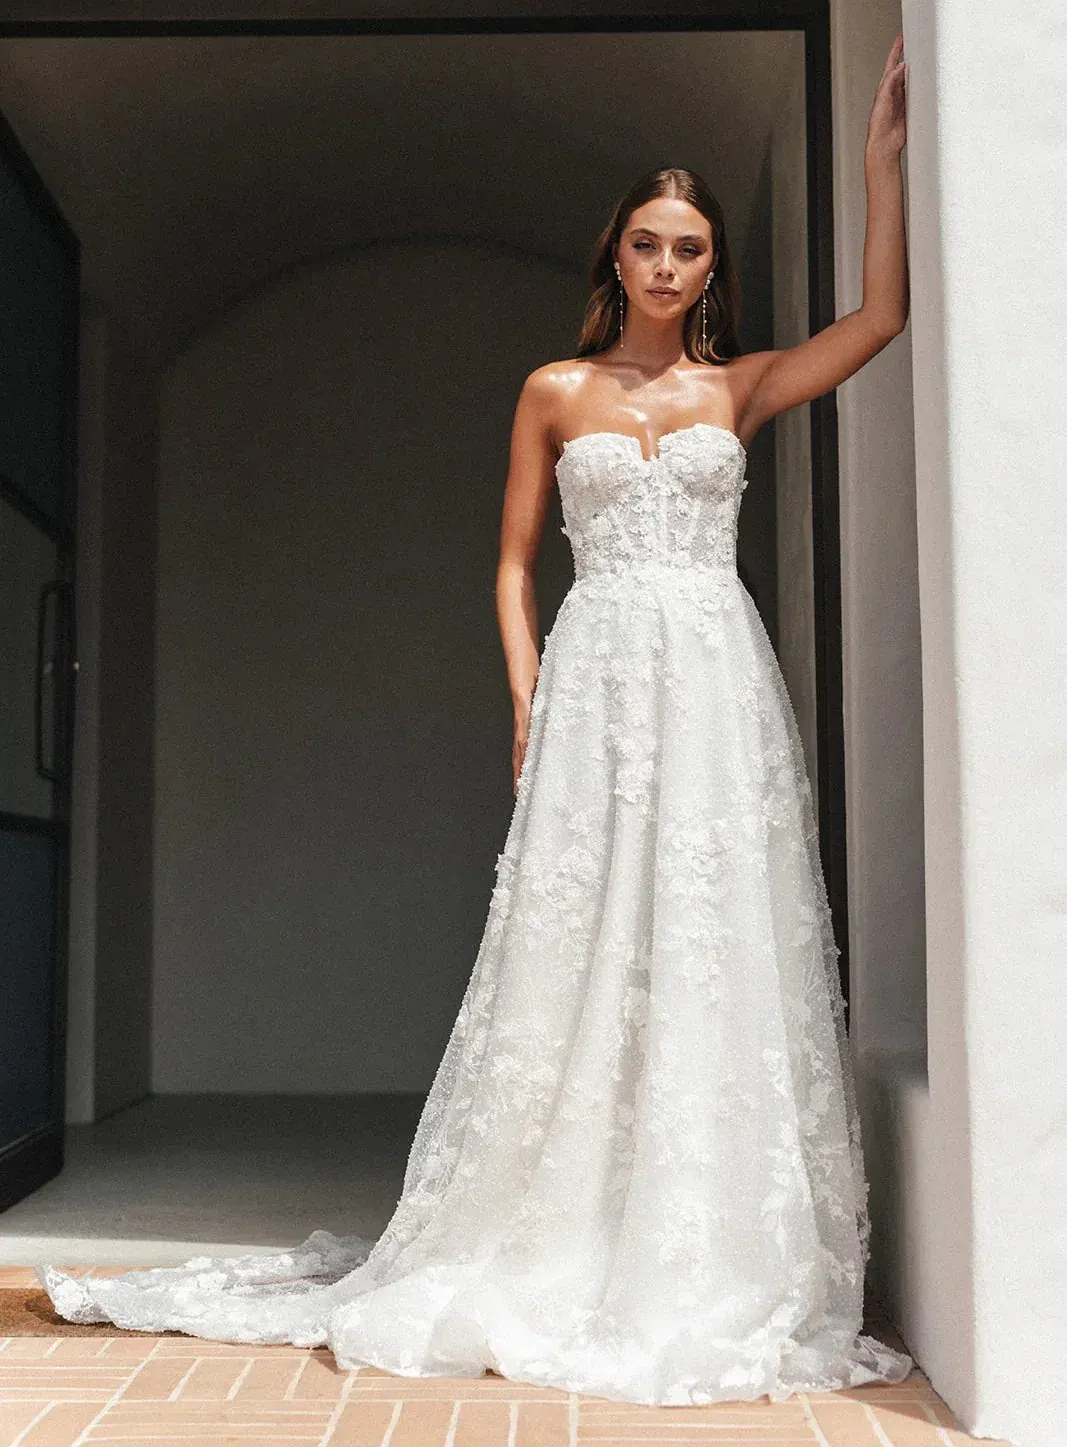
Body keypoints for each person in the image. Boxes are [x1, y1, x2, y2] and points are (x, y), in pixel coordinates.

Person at [37, 36, 916, 1408]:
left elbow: (874, 326)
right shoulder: (551, 393)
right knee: (577, 940)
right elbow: (511, 564)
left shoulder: (731, 387)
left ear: (710, 268)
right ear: (613, 258)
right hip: (598, 664)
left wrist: (876, 169)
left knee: (710, 924)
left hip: (712, 672)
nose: (669, 267)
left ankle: (705, 1246)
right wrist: (526, 686)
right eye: (647, 243)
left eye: (690, 247)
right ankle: (550, 1218)